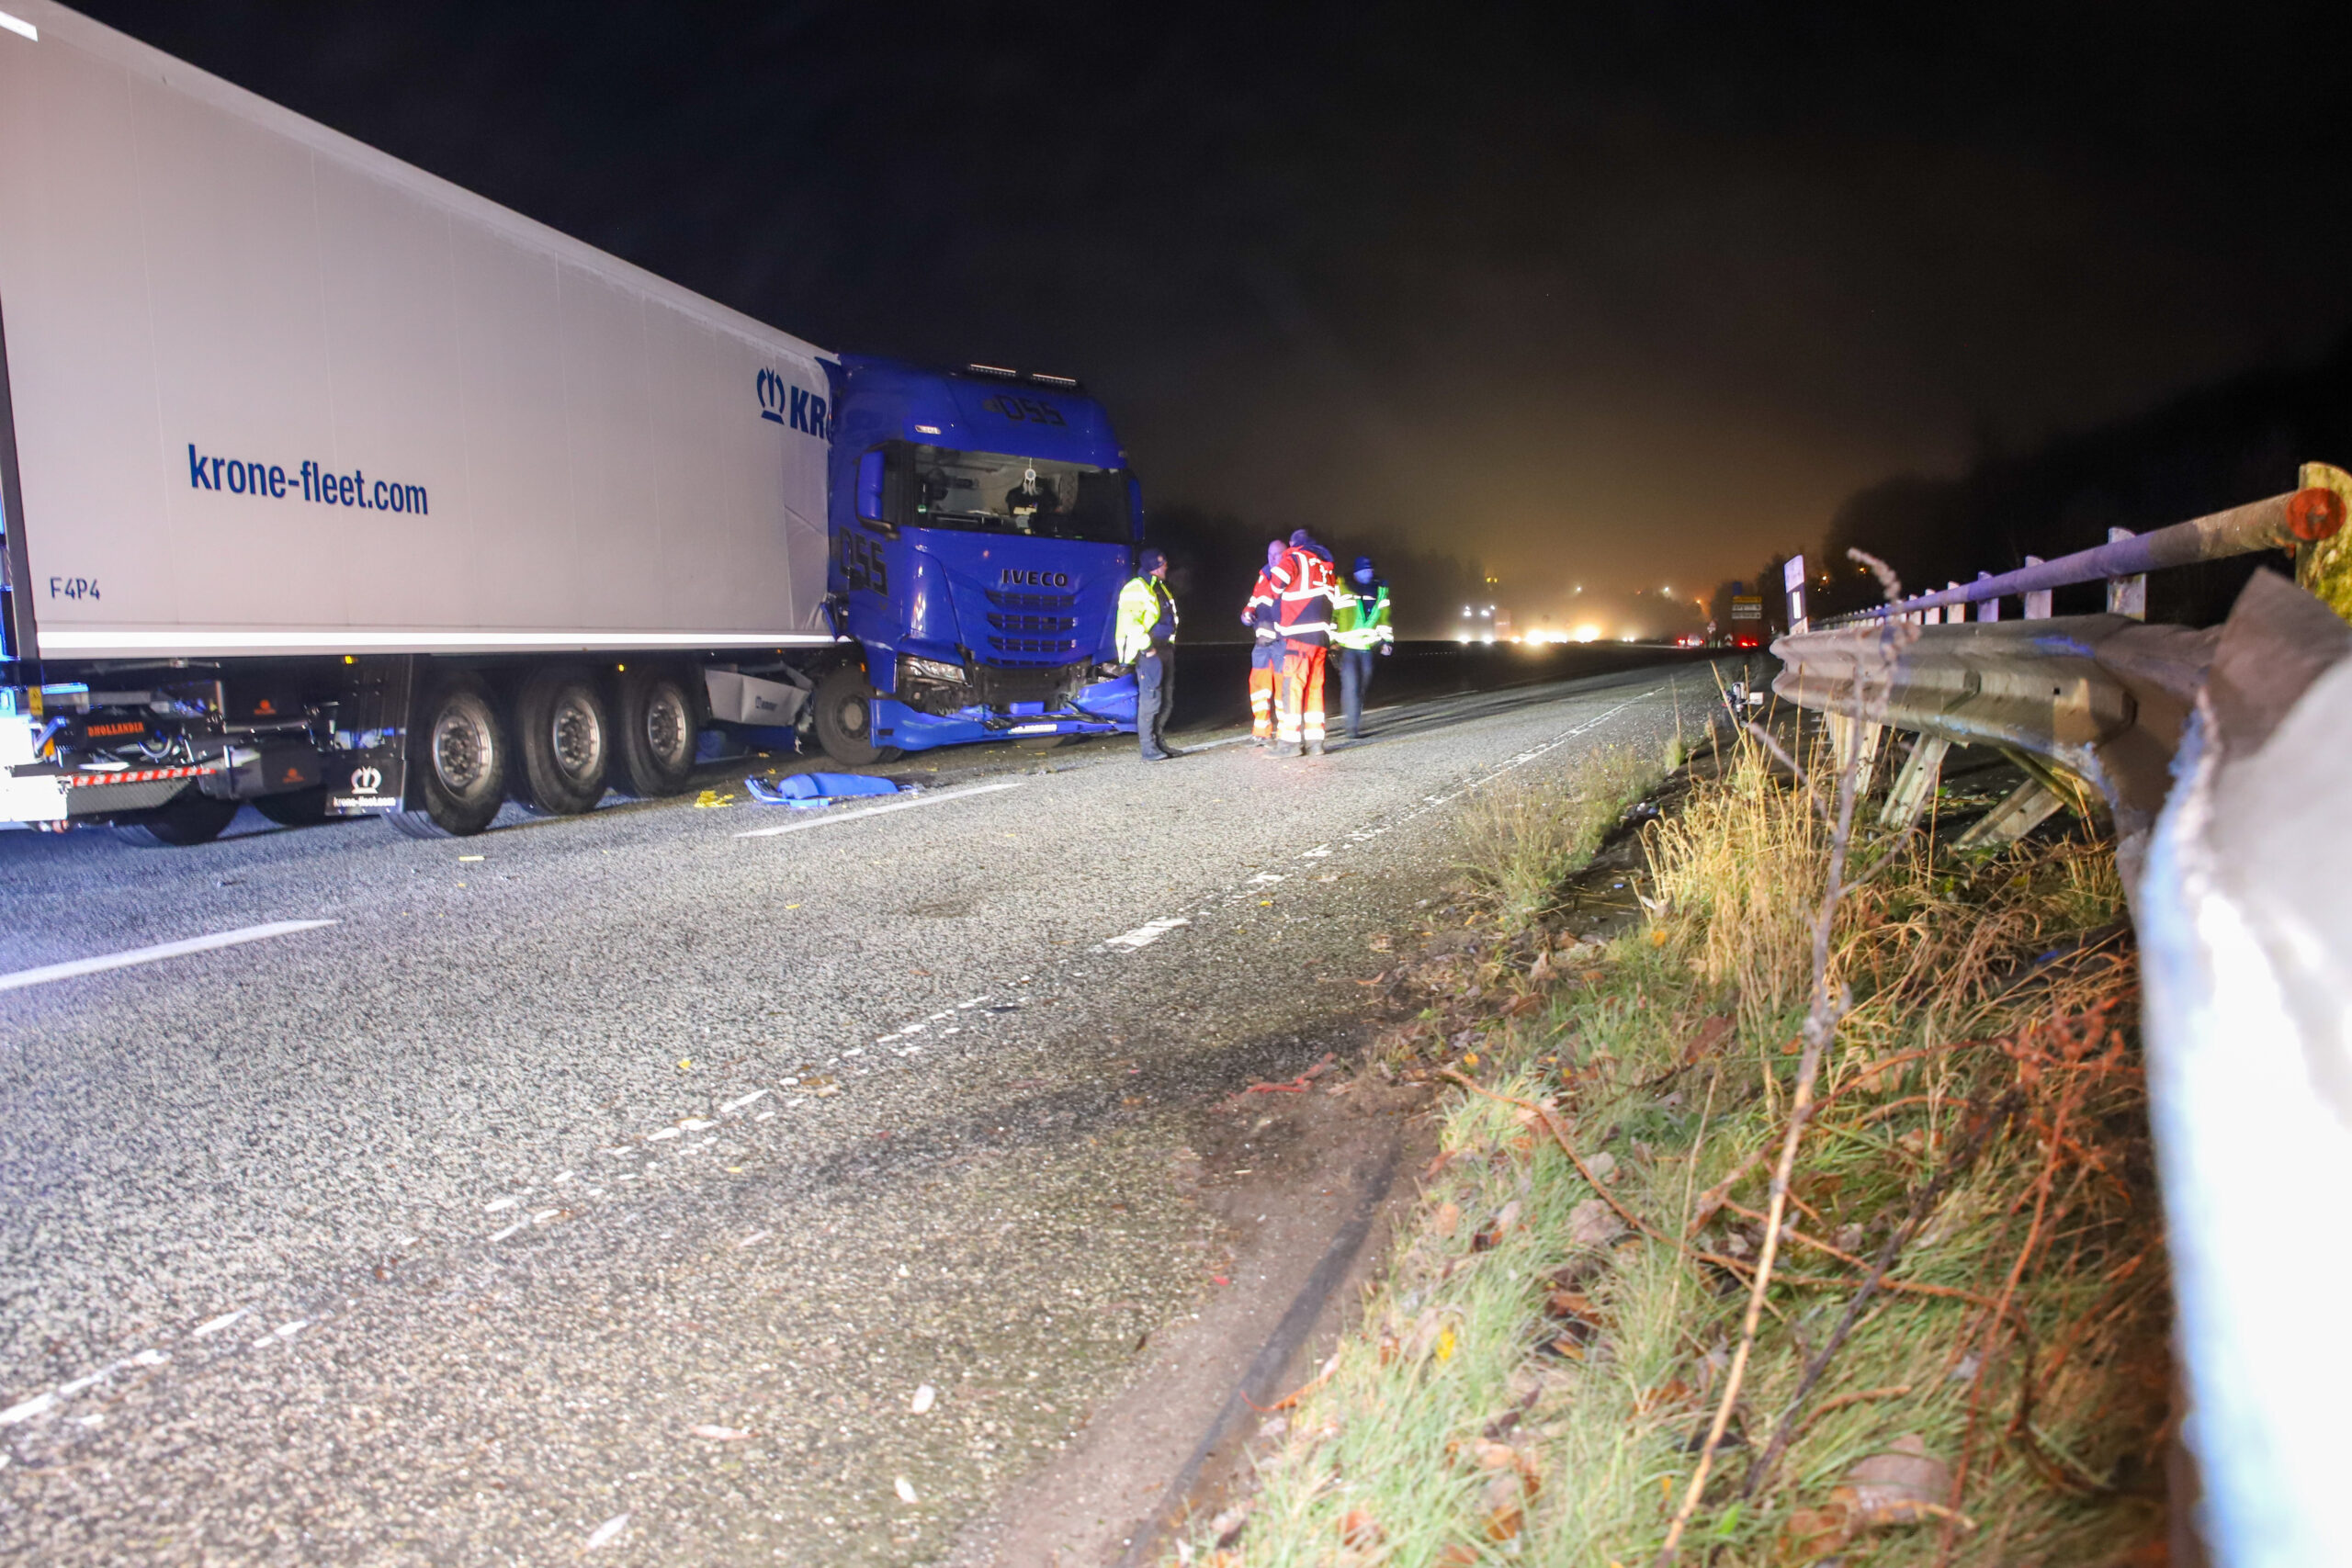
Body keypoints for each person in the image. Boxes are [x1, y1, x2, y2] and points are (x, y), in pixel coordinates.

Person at [1267, 528, 1338, 756]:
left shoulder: (1295, 557)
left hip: (1299, 633)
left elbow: (1277, 583)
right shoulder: (1326, 567)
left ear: (1292, 544)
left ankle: (1290, 743)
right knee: (1315, 689)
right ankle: (1316, 743)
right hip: (1321, 637)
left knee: (1293, 688)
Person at [1116, 547, 1180, 761]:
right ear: (1154, 566)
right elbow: (1130, 622)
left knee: (1166, 699)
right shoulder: (1137, 588)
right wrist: (1148, 648)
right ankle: (1148, 747)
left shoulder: (1159, 587)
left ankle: (1159, 742)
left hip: (1164, 649)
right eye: (1163, 563)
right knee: (1151, 699)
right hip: (1150, 652)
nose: (1166, 567)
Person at [1331, 555, 1394, 739]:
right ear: (1357, 572)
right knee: (1351, 686)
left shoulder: (1380, 590)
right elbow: (1333, 615)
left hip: (1368, 648)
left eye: (1371, 570)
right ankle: (1351, 728)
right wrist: (1332, 644)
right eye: (1365, 570)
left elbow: (1385, 619)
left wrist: (1386, 642)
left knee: (1361, 687)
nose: (1370, 573)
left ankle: (1354, 720)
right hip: (1346, 648)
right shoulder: (1342, 587)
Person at [1239, 539, 1286, 746]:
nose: (1272, 558)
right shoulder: (1263, 576)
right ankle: (1261, 730)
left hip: (1281, 642)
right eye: (1270, 554)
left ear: (1287, 554)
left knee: (1283, 688)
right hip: (1261, 643)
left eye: (1277, 554)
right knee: (1259, 687)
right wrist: (1246, 614)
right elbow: (1253, 602)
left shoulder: (1290, 575)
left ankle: (1287, 732)